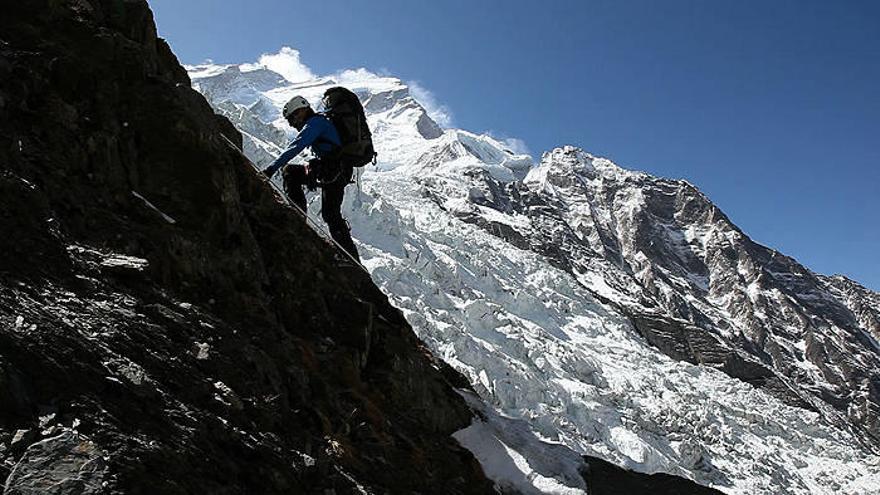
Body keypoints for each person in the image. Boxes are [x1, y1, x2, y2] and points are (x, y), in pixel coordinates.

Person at [263, 95, 360, 262]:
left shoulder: (315, 123)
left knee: (330, 214)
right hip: (333, 171)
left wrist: (271, 169)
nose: (292, 124)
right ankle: (349, 257)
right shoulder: (321, 121)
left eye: (292, 118)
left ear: (302, 111)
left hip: (334, 172)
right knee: (331, 213)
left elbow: (296, 146)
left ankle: (349, 258)